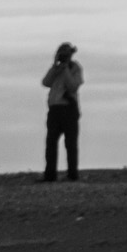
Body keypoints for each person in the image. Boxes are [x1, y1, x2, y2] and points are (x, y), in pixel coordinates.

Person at [43, 42, 83, 182]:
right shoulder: (56, 68)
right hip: (54, 109)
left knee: (70, 143)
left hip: (69, 109)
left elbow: (73, 87)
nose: (67, 56)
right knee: (51, 143)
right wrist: (55, 66)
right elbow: (46, 82)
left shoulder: (75, 67)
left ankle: (72, 175)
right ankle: (50, 175)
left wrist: (65, 68)